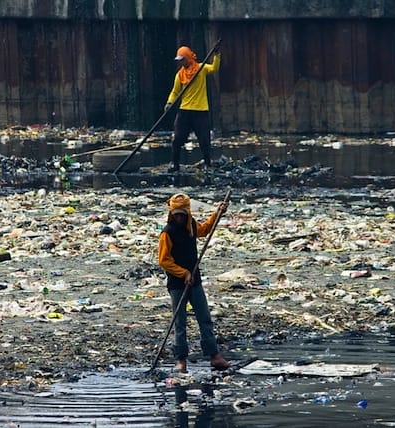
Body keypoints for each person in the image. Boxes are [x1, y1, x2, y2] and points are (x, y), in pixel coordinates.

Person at [157, 193, 231, 372]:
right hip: (177, 284)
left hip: (195, 281)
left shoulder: (191, 226)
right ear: (171, 213)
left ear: (188, 212)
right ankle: (181, 359)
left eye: (182, 214)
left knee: (204, 318)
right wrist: (183, 273)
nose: (179, 217)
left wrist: (217, 214)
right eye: (176, 214)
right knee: (180, 321)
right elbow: (163, 260)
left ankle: (214, 356)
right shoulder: (167, 232)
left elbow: (205, 229)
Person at [165, 43, 221, 172]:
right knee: (177, 138)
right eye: (179, 61)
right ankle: (175, 163)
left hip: (200, 110)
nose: (181, 63)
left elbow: (214, 68)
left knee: (204, 139)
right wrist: (169, 102)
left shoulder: (201, 69)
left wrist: (217, 55)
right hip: (184, 110)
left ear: (188, 58)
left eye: (182, 60)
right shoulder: (180, 75)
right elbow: (175, 91)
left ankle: (207, 163)